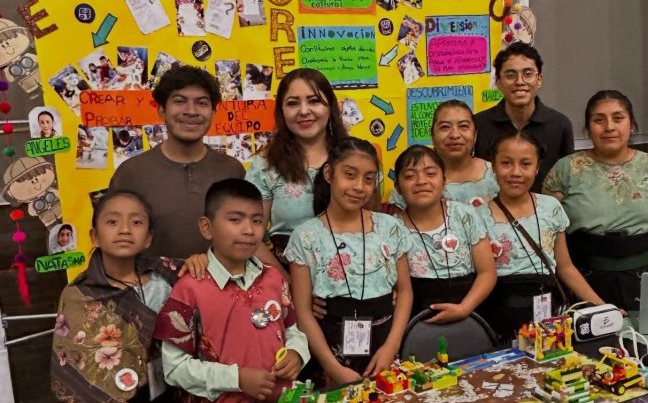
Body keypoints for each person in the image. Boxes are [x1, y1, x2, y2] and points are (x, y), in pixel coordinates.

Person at [154, 178, 310, 402]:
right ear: (207, 228)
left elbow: (293, 330)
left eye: (257, 221)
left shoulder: (274, 278)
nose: (249, 230)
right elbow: (174, 368)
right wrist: (236, 378)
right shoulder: (189, 288)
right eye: (235, 220)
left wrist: (297, 353)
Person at [284, 137, 412, 385]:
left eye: (368, 178)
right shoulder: (306, 236)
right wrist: (332, 368)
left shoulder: (390, 227)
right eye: (350, 175)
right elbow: (303, 311)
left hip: (384, 345)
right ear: (330, 173)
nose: (359, 187)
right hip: (328, 350)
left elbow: (405, 292)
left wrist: (391, 347)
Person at [542, 90, 648, 310]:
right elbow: (548, 238)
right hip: (584, 282)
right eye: (599, 120)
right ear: (588, 128)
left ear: (631, 124)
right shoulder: (565, 170)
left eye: (618, 118)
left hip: (645, 279)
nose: (609, 127)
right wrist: (597, 305)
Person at [475, 132, 605, 342]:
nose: (515, 172)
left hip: (548, 315)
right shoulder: (478, 216)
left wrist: (601, 307)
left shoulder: (550, 207)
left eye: (525, 164)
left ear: (536, 168)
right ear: (494, 167)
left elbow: (565, 267)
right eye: (506, 163)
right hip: (499, 315)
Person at [51, 191, 179, 401]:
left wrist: (199, 262)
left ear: (148, 238)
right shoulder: (78, 294)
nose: (125, 230)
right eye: (112, 221)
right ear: (95, 236)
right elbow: (76, 368)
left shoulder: (167, 274)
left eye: (136, 222)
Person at [109, 65, 245, 260]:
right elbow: (112, 243)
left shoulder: (232, 171)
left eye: (202, 103)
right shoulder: (131, 174)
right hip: (149, 288)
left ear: (214, 113)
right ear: (162, 111)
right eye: (180, 101)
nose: (191, 111)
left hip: (221, 288)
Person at [246, 68, 376, 271]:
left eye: (314, 100)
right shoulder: (265, 165)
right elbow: (250, 237)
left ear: (330, 107)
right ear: (281, 112)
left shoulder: (359, 157)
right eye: (292, 103)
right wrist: (288, 285)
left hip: (357, 276)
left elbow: (375, 228)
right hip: (287, 276)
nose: (304, 110)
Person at [392, 145, 497, 322]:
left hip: (472, 317)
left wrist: (464, 308)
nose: (421, 181)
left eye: (430, 173)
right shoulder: (392, 228)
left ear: (444, 180)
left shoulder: (465, 215)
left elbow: (487, 272)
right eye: (410, 176)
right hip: (417, 323)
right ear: (398, 187)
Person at [473, 43, 574, 192]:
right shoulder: (478, 124)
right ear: (498, 82)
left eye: (528, 74)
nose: (519, 82)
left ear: (539, 79)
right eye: (510, 75)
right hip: (490, 210)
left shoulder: (559, 125)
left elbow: (567, 179)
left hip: (544, 212)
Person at [388, 100, 499, 209]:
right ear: (432, 135)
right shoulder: (415, 182)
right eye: (445, 127)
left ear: (475, 135)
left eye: (463, 126)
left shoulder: (496, 176)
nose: (455, 135)